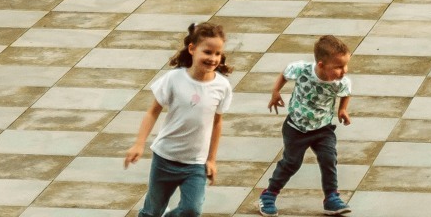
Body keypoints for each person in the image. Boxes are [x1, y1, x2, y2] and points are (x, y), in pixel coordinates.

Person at [124, 23, 232, 217]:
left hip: (195, 163)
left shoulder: (222, 86)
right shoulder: (173, 79)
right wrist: (139, 144)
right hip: (165, 158)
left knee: (192, 210)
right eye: (207, 52)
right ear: (192, 49)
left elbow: (217, 123)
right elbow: (152, 112)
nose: (213, 58)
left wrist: (212, 159)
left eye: (218, 54)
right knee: (152, 212)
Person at [257, 35, 353, 217]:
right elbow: (285, 73)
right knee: (291, 162)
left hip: (323, 129)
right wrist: (275, 92)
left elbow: (346, 92)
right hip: (296, 128)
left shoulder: (340, 82)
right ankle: (268, 195)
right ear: (321, 65)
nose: (344, 71)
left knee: (328, 159)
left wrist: (342, 110)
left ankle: (331, 198)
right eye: (339, 67)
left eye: (346, 65)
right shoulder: (302, 69)